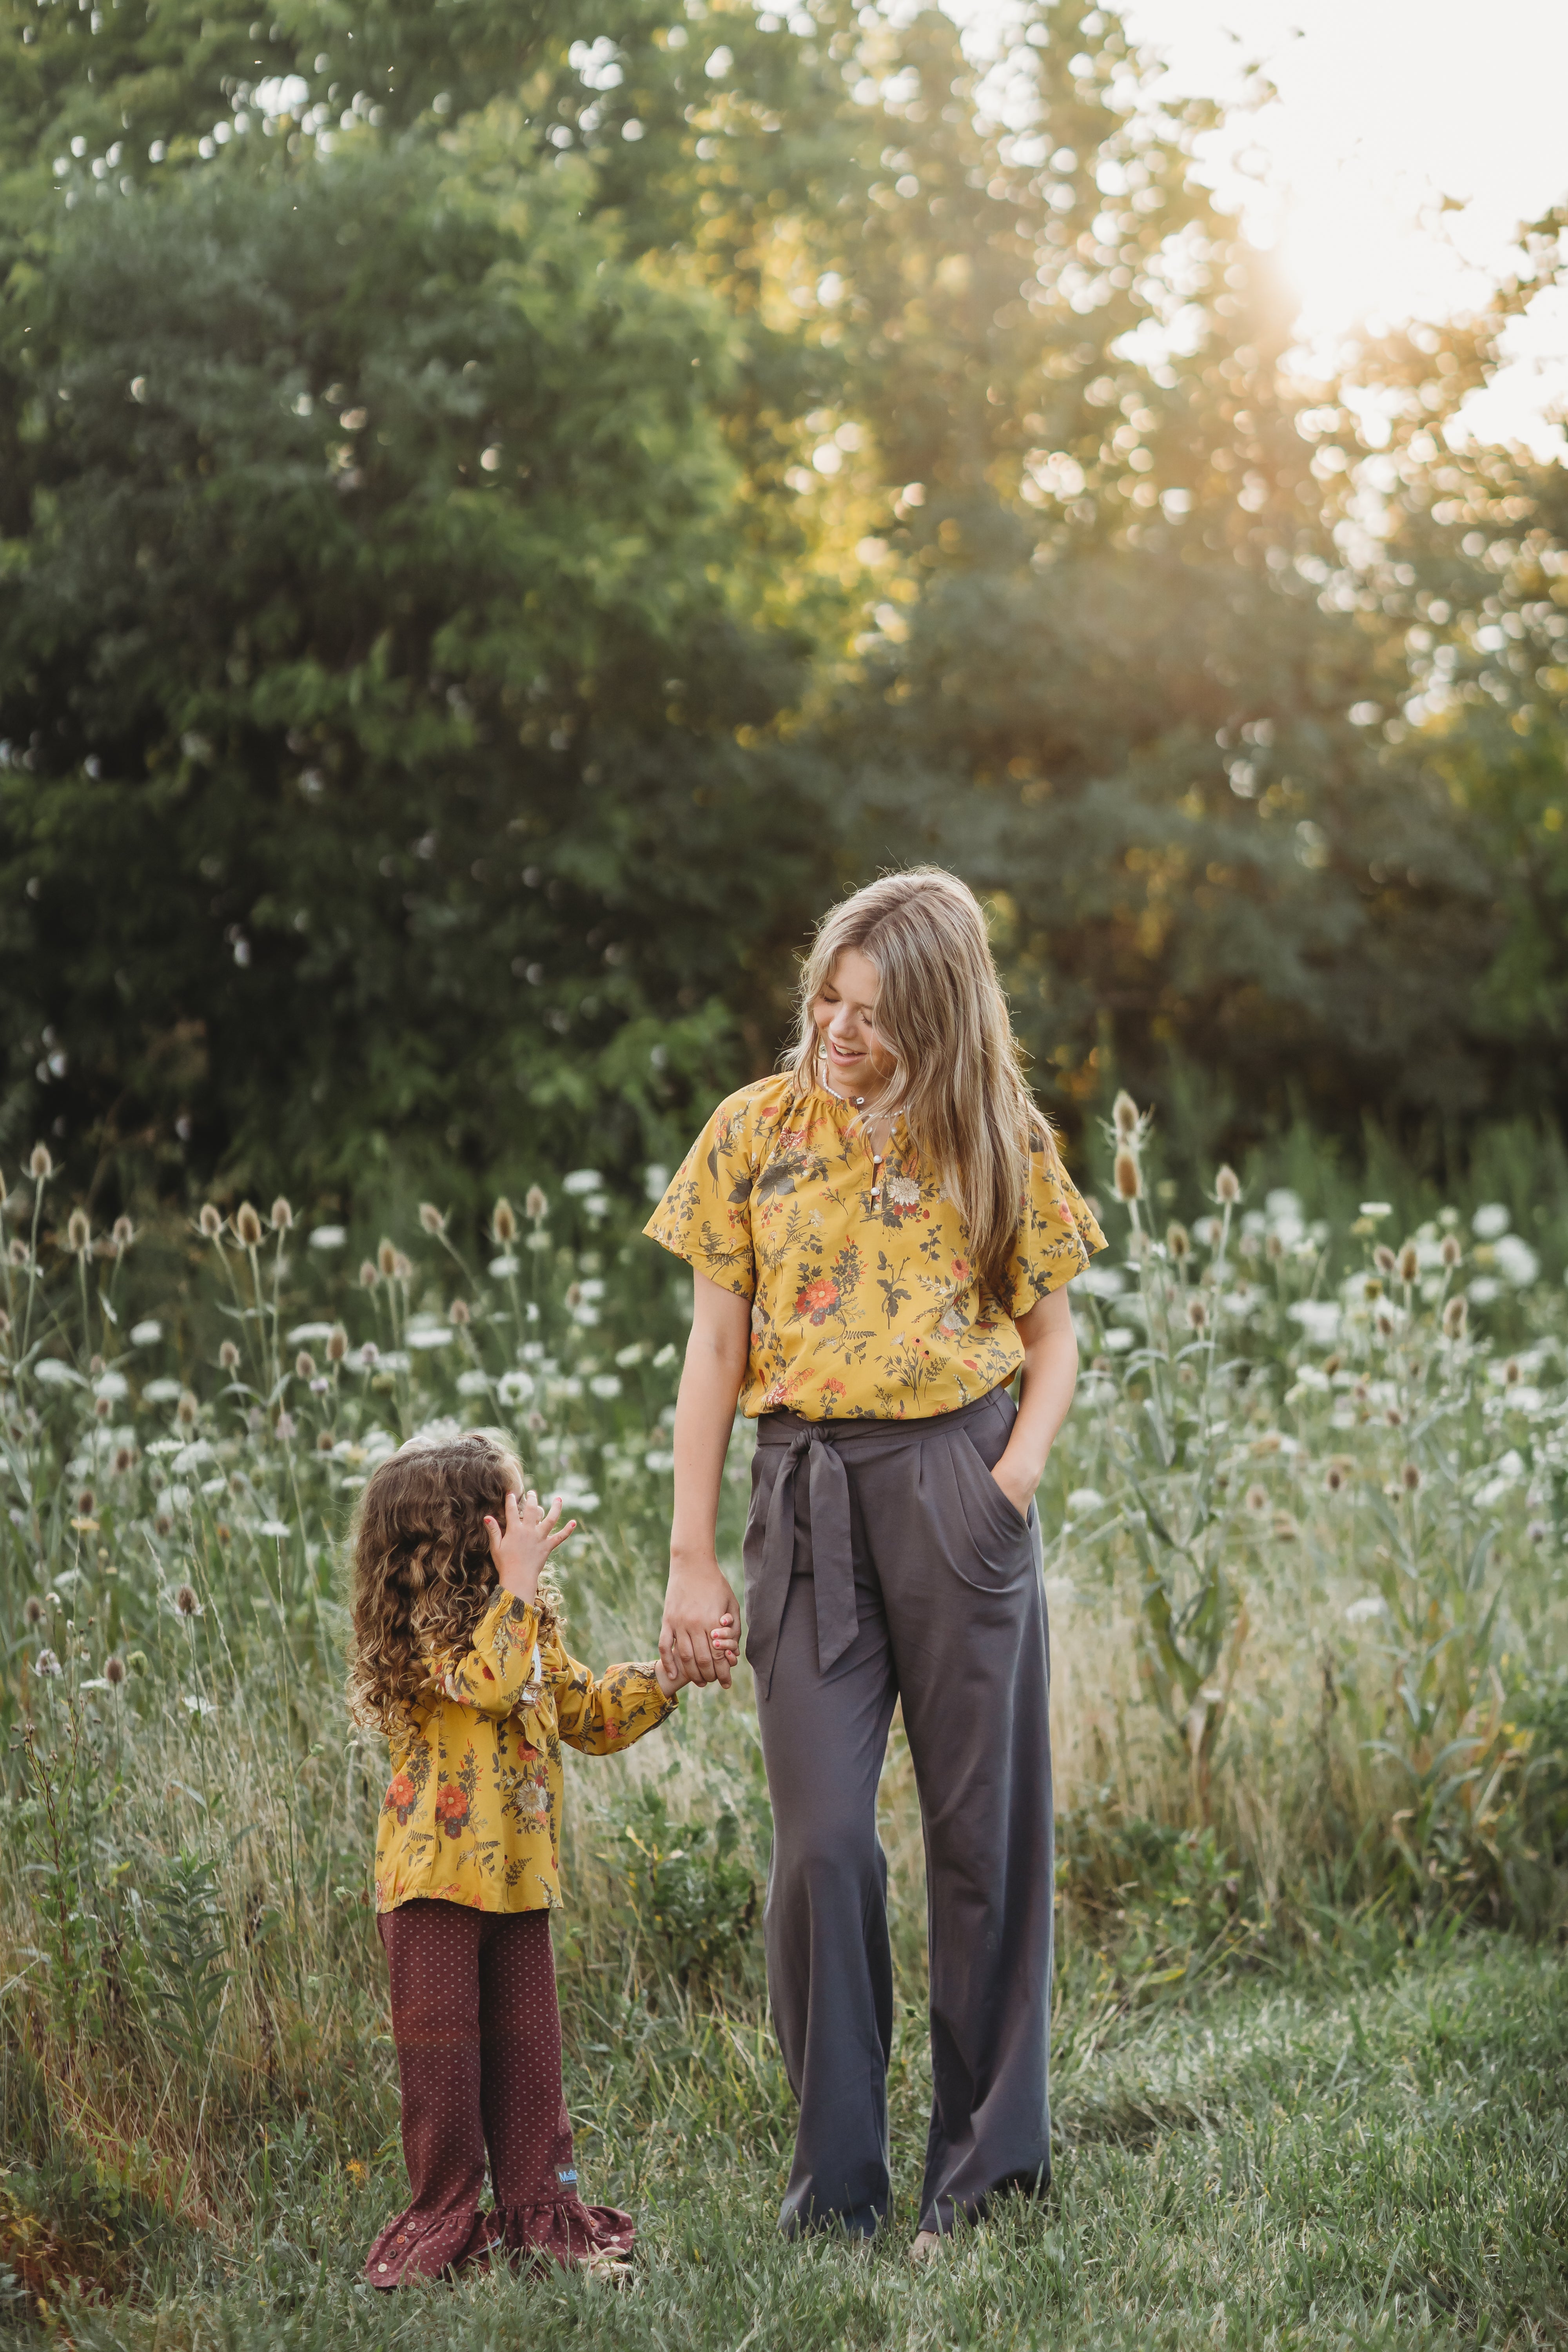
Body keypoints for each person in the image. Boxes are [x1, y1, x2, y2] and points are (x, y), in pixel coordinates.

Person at [644, 866, 1105, 2254]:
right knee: (825, 1846)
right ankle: (836, 2191)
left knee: (985, 1844)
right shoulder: (753, 1132)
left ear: (941, 1016)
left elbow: (1056, 1339)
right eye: (829, 1000)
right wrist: (692, 1558)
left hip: (960, 1489)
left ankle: (980, 2181)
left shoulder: (996, 1135)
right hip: (807, 1500)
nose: (839, 1032)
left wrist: (1010, 1482)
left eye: (874, 1013)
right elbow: (715, 1351)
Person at [346, 1429, 735, 2285]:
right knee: (446, 2088)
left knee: (530, 2075)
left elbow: (589, 1714)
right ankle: (447, 2233)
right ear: (461, 1536)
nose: (529, 1519)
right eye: (510, 1510)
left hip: (520, 1886)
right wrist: (517, 1590)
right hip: (433, 1892)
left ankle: (543, 2226)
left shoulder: (527, 1634)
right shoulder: (425, 1637)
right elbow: (487, 1683)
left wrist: (668, 1675)